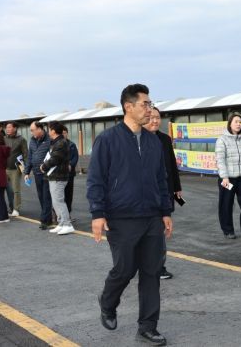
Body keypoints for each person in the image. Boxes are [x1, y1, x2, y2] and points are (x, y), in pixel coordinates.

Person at [88, 84, 172, 346]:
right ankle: (108, 302)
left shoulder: (153, 141)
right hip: (121, 217)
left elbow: (161, 179)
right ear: (128, 106)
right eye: (145, 104)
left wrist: (165, 211)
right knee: (124, 269)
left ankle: (148, 327)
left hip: (151, 217)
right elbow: (96, 179)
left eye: (150, 104)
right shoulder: (107, 139)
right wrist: (97, 214)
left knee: (151, 272)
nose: (149, 109)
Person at [145, 106, 182, 280]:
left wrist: (177, 188)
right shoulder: (136, 139)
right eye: (151, 117)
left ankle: (159, 267)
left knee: (159, 232)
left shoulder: (165, 139)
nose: (155, 121)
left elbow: (172, 166)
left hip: (164, 192)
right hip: (143, 196)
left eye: (158, 117)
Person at [214, 112, 241, 239]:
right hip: (228, 179)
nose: (238, 124)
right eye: (236, 122)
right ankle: (228, 231)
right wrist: (224, 177)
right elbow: (220, 160)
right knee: (226, 204)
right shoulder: (222, 140)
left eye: (240, 122)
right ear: (230, 124)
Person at [41, 121, 75, 235]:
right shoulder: (56, 142)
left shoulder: (61, 143)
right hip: (55, 175)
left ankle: (67, 224)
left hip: (59, 176)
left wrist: (43, 166)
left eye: (49, 129)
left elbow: (54, 159)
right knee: (56, 202)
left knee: (59, 201)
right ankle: (61, 223)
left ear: (53, 131)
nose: (48, 131)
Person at [24, 121, 53, 230]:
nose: (31, 133)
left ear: (40, 129)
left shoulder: (49, 139)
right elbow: (30, 157)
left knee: (46, 197)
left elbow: (53, 155)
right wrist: (27, 172)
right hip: (36, 173)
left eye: (33, 130)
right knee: (41, 196)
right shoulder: (32, 140)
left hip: (47, 173)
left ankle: (44, 220)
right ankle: (48, 218)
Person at [4, 121, 28, 217]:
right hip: (4, 168)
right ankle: (10, 207)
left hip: (15, 169)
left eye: (9, 127)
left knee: (15, 190)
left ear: (15, 128)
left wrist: (26, 169)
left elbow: (25, 155)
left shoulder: (21, 139)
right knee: (6, 190)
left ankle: (16, 209)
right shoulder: (3, 139)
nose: (7, 129)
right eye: (7, 127)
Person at [63, 126, 79, 216]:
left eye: (65, 133)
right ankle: (59, 214)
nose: (63, 135)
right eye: (61, 133)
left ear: (67, 133)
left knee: (69, 194)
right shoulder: (56, 144)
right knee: (60, 195)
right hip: (59, 174)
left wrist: (70, 165)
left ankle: (68, 213)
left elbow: (75, 157)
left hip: (69, 174)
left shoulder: (72, 145)